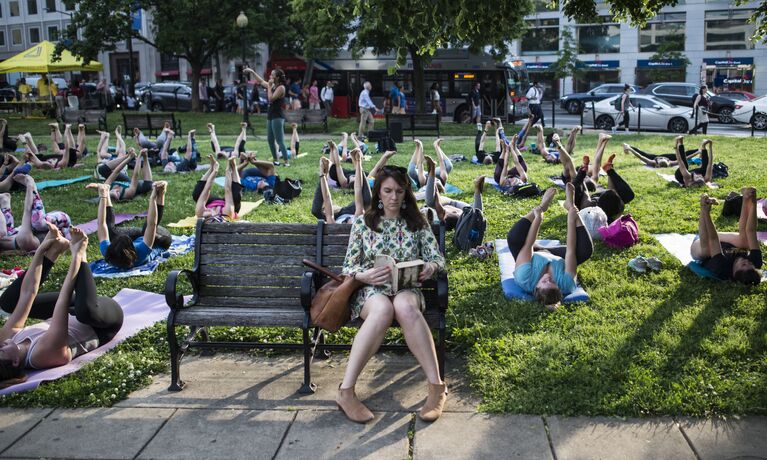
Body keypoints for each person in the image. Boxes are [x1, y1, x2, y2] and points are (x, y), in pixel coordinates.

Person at [339, 165, 447, 423]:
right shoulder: (363, 224)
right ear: (378, 193)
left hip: (407, 288)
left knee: (404, 307)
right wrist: (363, 275)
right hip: (371, 289)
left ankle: (437, 387)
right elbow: (349, 267)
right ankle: (346, 391)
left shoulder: (417, 223)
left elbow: (437, 259)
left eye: (399, 191)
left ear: (406, 193)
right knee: (383, 309)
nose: (393, 197)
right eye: (387, 191)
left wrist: (430, 267)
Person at [0, 224, 124, 388]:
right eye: (0, 352)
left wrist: (42, 251)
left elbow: (27, 293)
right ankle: (83, 255)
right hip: (100, 320)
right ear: (15, 362)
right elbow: (63, 300)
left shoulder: (7, 339)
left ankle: (56, 248)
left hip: (72, 307)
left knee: (9, 302)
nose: (0, 345)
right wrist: (77, 254)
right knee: (85, 311)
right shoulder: (41, 355)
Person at [507, 184, 593, 310]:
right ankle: (571, 206)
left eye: (544, 282)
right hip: (557, 256)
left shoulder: (524, 277)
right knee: (586, 251)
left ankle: (542, 206)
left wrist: (538, 218)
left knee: (514, 238)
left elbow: (529, 244)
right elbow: (570, 251)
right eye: (552, 282)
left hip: (532, 253)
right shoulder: (566, 284)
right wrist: (571, 218)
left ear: (536, 287)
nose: (548, 278)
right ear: (559, 287)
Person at [88, 180, 171, 269]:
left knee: (110, 231)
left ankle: (106, 190)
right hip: (161, 240)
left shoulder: (108, 252)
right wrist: (153, 198)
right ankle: (162, 192)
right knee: (146, 229)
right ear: (131, 250)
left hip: (141, 238)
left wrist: (104, 196)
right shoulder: (142, 252)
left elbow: (101, 223)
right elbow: (152, 224)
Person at [690, 188, 762, 284]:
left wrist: (706, 212)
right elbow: (751, 231)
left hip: (701, 245)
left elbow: (713, 239)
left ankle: (703, 207)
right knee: (745, 241)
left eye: (744, 264)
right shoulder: (755, 262)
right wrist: (753, 202)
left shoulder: (722, 268)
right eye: (750, 263)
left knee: (707, 249)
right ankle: (745, 197)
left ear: (735, 272)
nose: (747, 260)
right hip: (722, 241)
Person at [245, 67, 290, 167]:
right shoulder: (273, 85)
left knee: (279, 140)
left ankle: (286, 162)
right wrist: (252, 71)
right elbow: (260, 81)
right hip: (271, 115)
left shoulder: (281, 88)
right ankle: (276, 160)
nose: (270, 76)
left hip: (278, 116)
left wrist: (269, 87)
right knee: (270, 140)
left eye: (272, 75)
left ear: (277, 77)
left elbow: (271, 98)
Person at [312, 149, 370, 223]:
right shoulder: (357, 221)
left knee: (316, 211)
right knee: (368, 202)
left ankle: (328, 169)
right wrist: (358, 163)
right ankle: (356, 163)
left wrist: (323, 174)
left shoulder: (333, 226)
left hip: (339, 214)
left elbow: (327, 199)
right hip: (352, 211)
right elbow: (358, 189)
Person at [193, 156, 242, 222]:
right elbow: (228, 190)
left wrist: (214, 170)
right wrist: (228, 170)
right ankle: (234, 166)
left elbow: (206, 190)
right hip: (228, 203)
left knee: (197, 194)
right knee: (236, 196)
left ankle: (212, 166)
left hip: (211, 202)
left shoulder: (200, 214)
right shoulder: (227, 214)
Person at [622, 140, 705, 168]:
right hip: (672, 157)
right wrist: (697, 152)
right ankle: (699, 149)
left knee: (644, 154)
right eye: (663, 159)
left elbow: (640, 156)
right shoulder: (671, 163)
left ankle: (628, 146)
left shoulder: (652, 162)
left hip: (654, 157)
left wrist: (630, 149)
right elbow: (684, 158)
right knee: (682, 154)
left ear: (657, 164)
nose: (663, 158)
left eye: (662, 159)